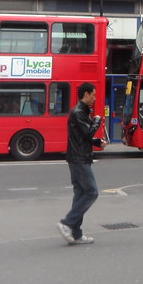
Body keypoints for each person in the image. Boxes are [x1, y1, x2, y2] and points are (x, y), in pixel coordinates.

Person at [58, 82, 105, 245]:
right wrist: (97, 121)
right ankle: (66, 223)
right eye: (93, 94)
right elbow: (87, 132)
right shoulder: (78, 112)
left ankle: (76, 233)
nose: (94, 98)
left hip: (77, 156)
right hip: (79, 158)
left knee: (80, 194)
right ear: (86, 94)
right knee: (92, 192)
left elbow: (82, 136)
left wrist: (97, 142)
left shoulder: (81, 111)